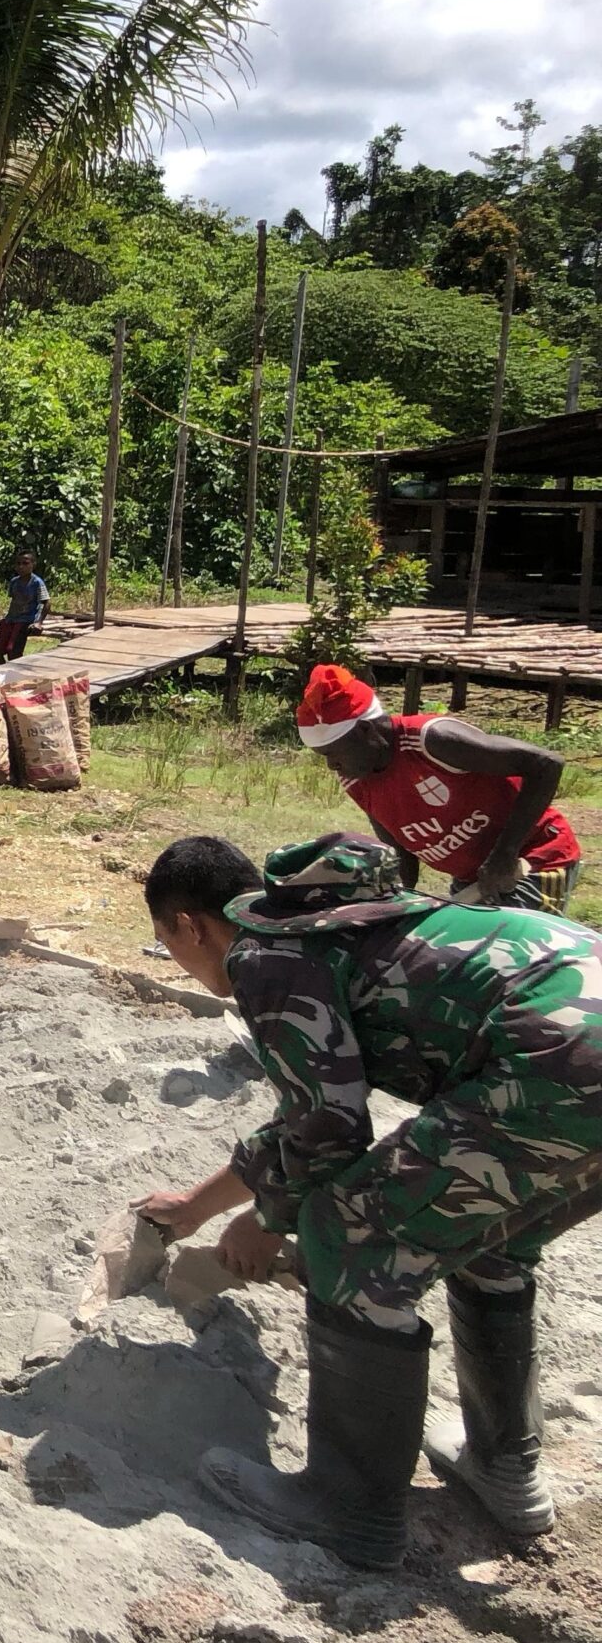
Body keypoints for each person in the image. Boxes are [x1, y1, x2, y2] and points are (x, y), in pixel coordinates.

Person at [134, 834, 602, 1567]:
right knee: (486, 1236)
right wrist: (201, 1204)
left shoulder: (266, 958)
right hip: (572, 1046)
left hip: (558, 1063)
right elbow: (310, 1113)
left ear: (188, 925)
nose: (179, 959)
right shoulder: (356, 925)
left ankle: (348, 1507)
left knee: (347, 1233)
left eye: (169, 943)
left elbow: (331, 1130)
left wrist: (267, 1221)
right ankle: (505, 1469)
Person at [295, 663, 581, 912]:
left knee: (506, 961)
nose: (332, 765)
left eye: (334, 753)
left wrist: (504, 856)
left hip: (535, 859)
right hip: (473, 882)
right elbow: (399, 852)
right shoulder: (358, 778)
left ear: (365, 731)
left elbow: (546, 764)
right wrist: (395, 907)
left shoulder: (431, 741)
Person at [0, 550, 47, 662]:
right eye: (18, 564)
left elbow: (46, 602)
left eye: (25, 563)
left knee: (13, 651)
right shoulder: (14, 582)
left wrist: (39, 622)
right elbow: (14, 600)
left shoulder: (37, 582)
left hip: (25, 620)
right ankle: (1, 671)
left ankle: (14, 675)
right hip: (11, 619)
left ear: (33, 564)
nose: (21, 567)